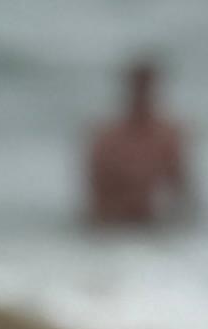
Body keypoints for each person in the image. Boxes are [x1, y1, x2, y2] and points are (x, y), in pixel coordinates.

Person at [82, 56, 196, 235]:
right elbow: (94, 192)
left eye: (146, 87)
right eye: (138, 87)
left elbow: (182, 190)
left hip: (149, 227)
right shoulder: (107, 137)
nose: (142, 93)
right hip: (111, 230)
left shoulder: (167, 136)